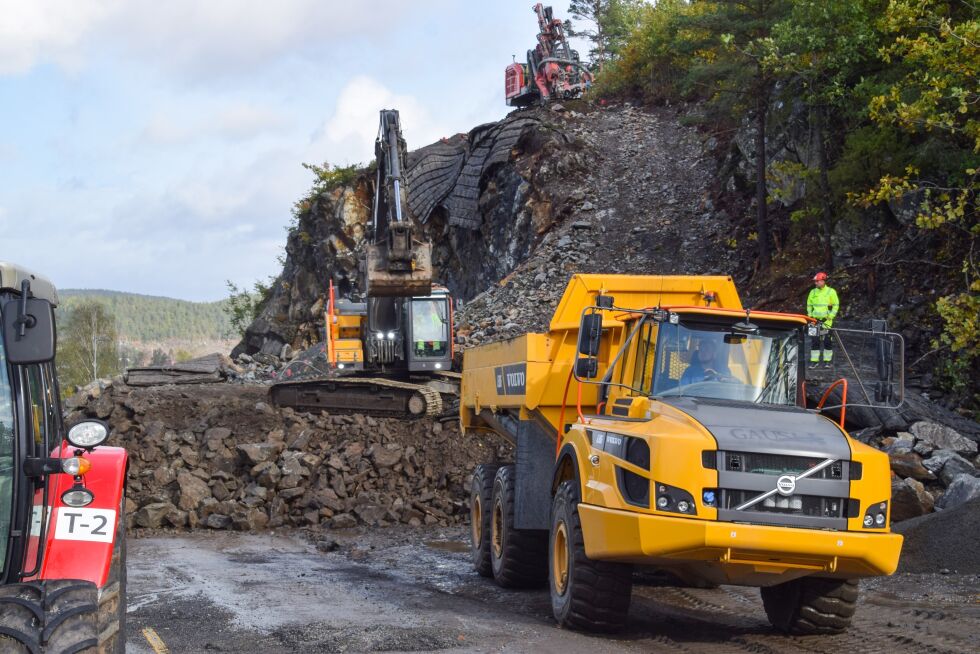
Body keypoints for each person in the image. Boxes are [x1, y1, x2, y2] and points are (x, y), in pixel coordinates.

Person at [806, 272, 840, 368]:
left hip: (826, 322)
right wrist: (810, 316)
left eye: (817, 281)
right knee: (815, 341)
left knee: (827, 341)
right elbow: (809, 305)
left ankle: (827, 361)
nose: (815, 283)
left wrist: (831, 316)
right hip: (814, 321)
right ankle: (814, 361)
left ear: (823, 281)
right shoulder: (812, 292)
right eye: (815, 281)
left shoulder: (831, 292)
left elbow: (836, 305)